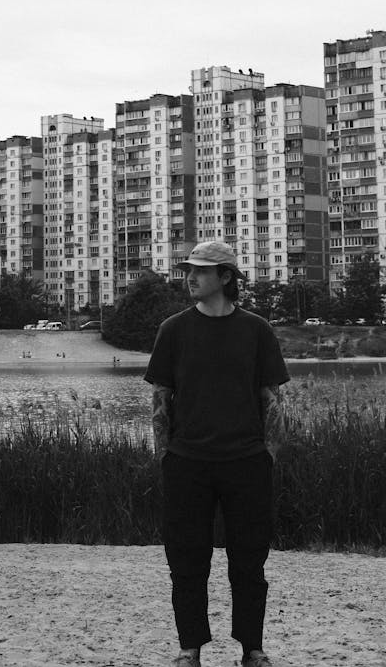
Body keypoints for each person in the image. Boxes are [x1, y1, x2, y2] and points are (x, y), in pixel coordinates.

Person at [145, 240, 289, 667]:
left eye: (201, 271)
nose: (190, 277)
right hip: (187, 463)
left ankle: (252, 649)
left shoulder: (256, 330)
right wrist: (164, 456)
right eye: (188, 269)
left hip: (246, 462)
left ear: (226, 277)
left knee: (249, 562)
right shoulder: (173, 329)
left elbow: (272, 398)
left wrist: (269, 456)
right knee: (187, 561)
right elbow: (160, 398)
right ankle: (190, 649)